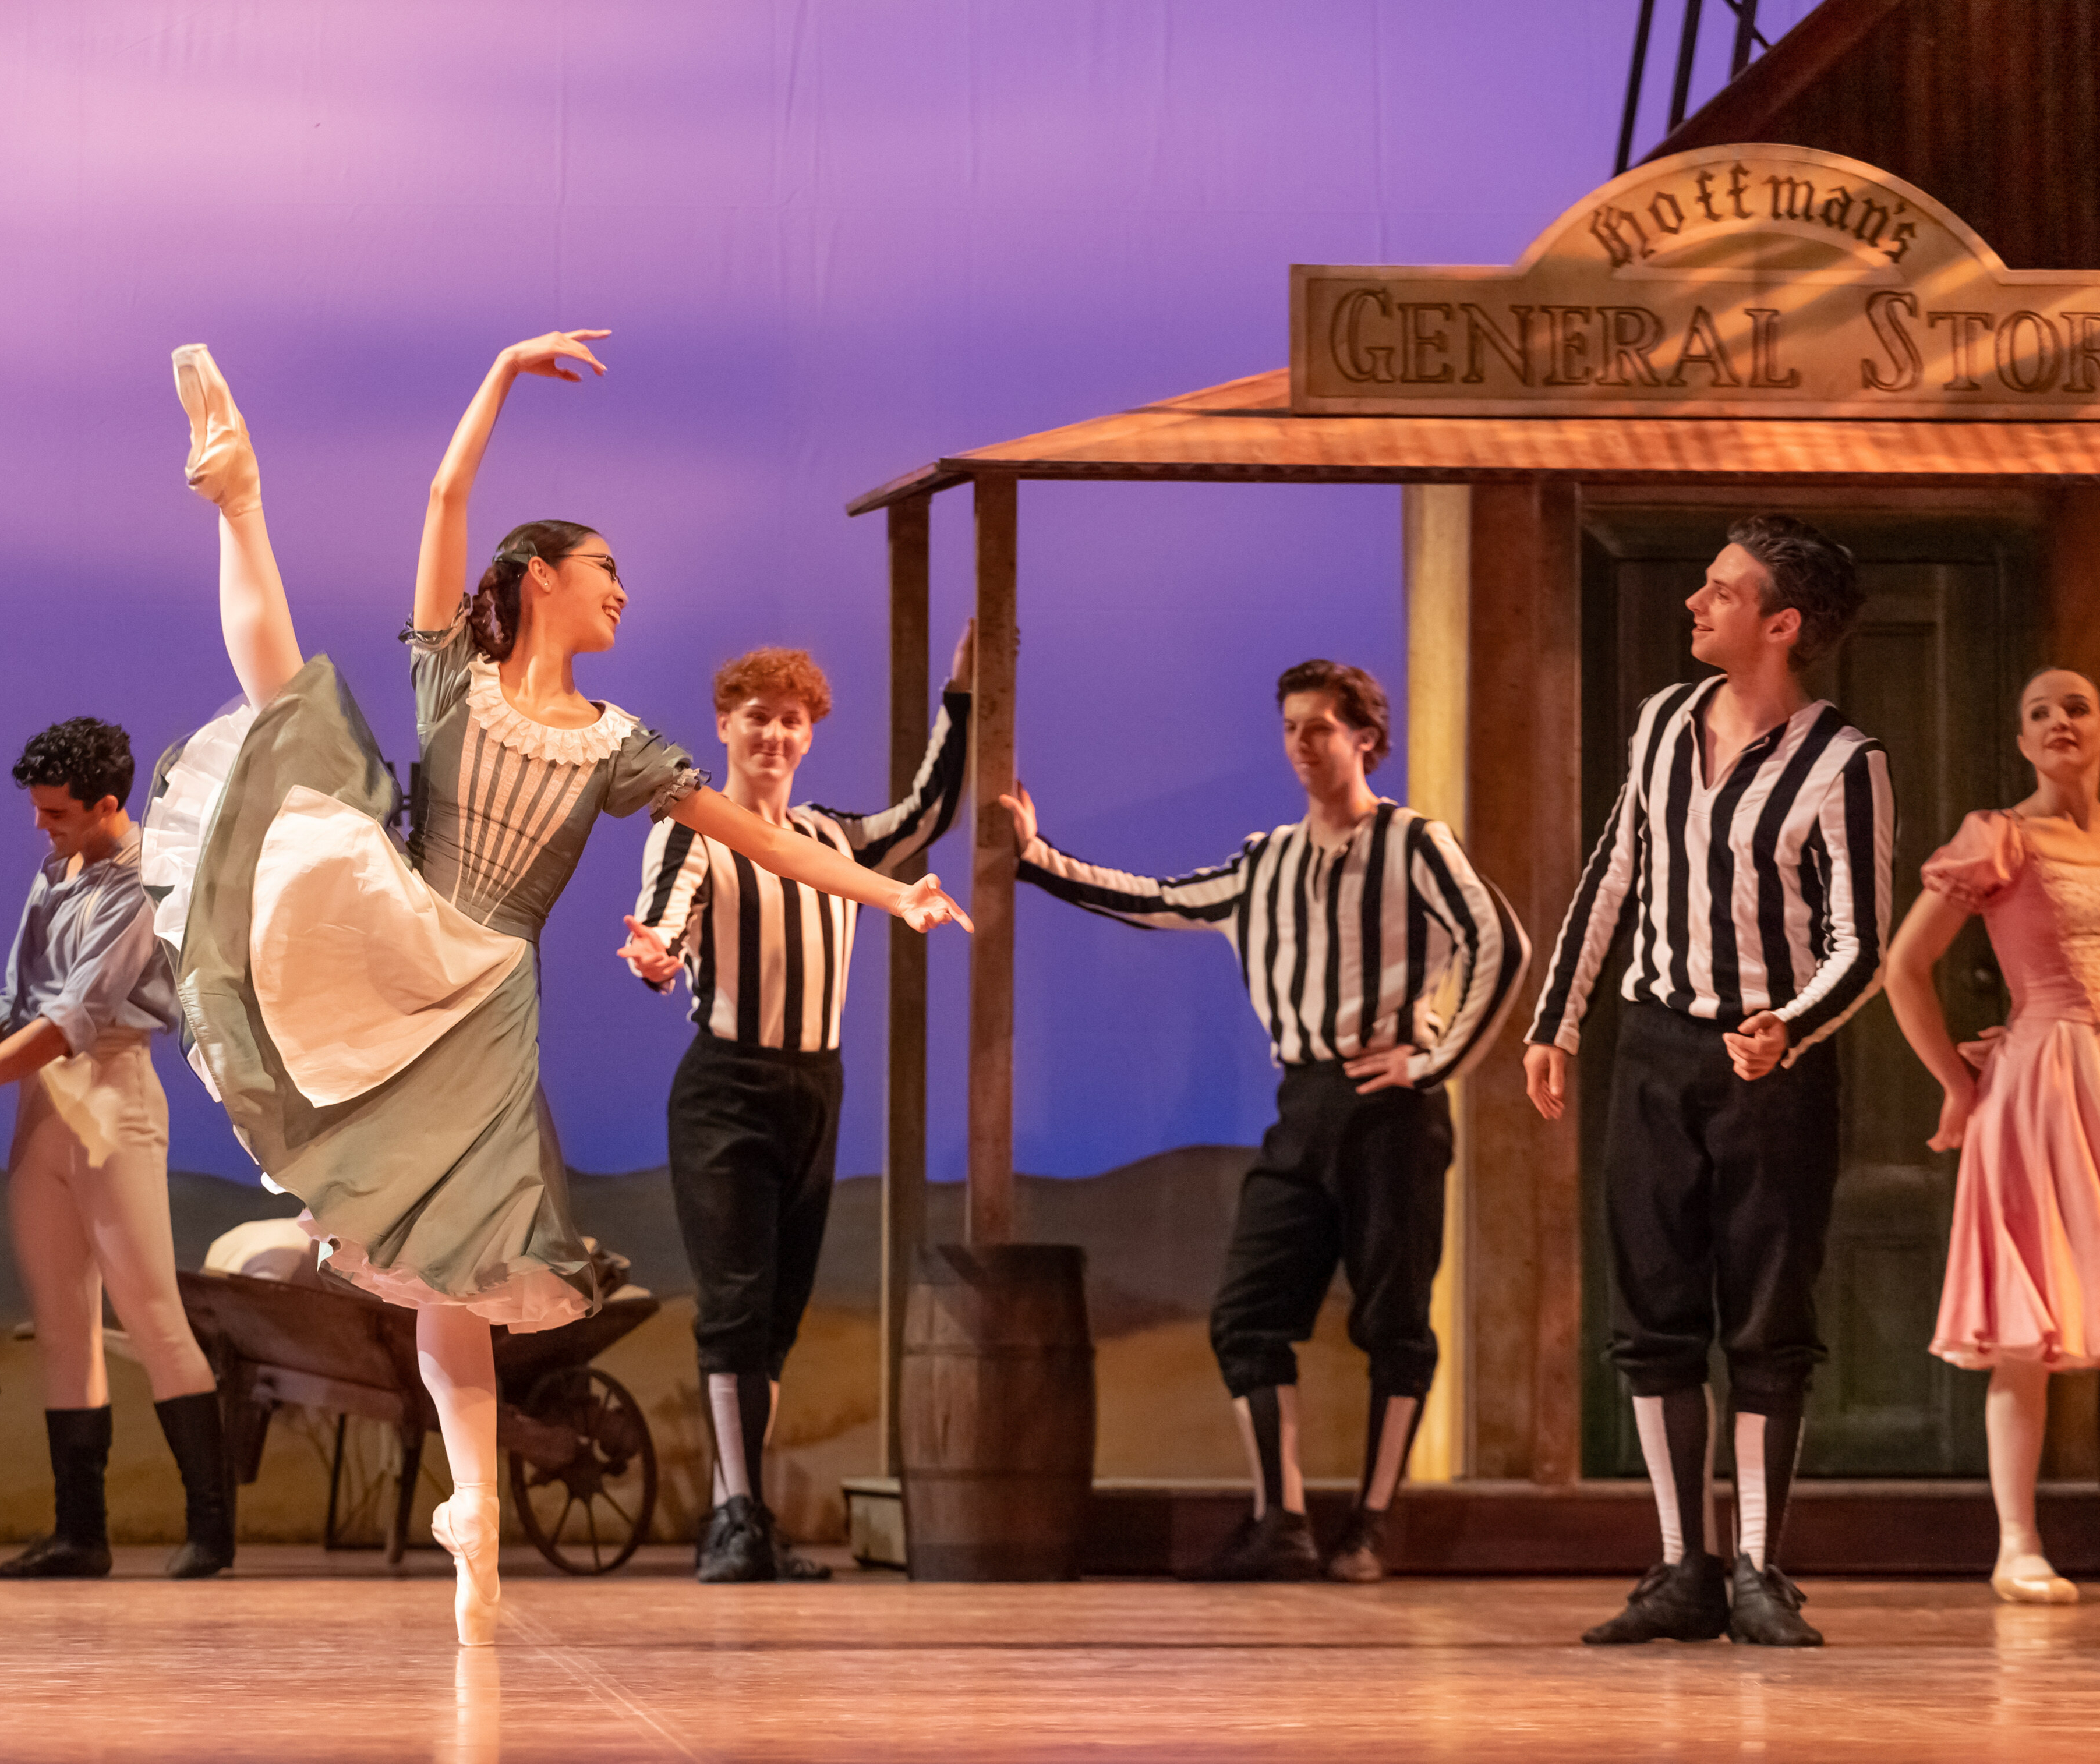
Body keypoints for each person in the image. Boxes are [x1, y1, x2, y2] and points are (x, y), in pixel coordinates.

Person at [147, 331, 970, 1645]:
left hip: (479, 998)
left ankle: (474, 1510)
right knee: (295, 714)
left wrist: (891, 894)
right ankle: (240, 500)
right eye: (606, 571)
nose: (623, 593)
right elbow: (444, 498)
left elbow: (766, 843)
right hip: (406, 934)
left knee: (456, 1272)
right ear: (542, 578)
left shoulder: (620, 745)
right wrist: (498, 374)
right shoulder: (455, 679)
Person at [1002, 659, 1525, 1583]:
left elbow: (1501, 943)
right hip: (1303, 1104)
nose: (1300, 745)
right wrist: (1037, 858)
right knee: (1247, 1314)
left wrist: (1433, 1061)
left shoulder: (1414, 843)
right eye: (1290, 728)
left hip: (1391, 1107)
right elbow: (1159, 899)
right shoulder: (1265, 861)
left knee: (1394, 1317)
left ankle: (1369, 1524)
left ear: (1365, 737)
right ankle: (1280, 1519)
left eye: (1319, 727)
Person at [1526, 514, 1890, 1649]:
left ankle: (1757, 1570)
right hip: (1653, 1051)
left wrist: (1791, 1025)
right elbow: (1612, 872)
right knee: (1652, 1312)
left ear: (1780, 625)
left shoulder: (1844, 764)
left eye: (1722, 591)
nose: (1695, 602)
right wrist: (1555, 1020)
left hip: (1768, 1069)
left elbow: (1861, 942)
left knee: (1768, 1317)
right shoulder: (1661, 722)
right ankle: (1681, 1565)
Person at [619, 631, 974, 1582]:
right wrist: (656, 956)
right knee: (735, 1309)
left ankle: (742, 1515)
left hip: (815, 1090)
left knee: (775, 1319)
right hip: (727, 1089)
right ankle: (738, 1514)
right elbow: (665, 917)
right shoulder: (696, 827)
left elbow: (929, 811)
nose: (774, 734)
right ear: (723, 725)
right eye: (757, 717)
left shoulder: (833, 840)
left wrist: (962, 692)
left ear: (810, 735)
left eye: (791, 720)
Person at [0, 720, 231, 1581]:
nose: (39, 825)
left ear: (107, 804)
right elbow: (21, 996)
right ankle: (80, 1531)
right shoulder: (56, 870)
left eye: (57, 812)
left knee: (151, 1311)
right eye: (37, 810)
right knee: (63, 1322)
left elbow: (76, 1016)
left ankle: (212, 1529)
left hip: (112, 1096)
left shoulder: (143, 881)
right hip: (42, 1105)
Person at [1883, 666, 2100, 1606]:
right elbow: (1905, 965)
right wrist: (1957, 1082)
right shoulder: (2001, 837)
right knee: (2028, 1320)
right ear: (2021, 741)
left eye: (2077, 706)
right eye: (2039, 712)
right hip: (2044, 1083)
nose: (2059, 721)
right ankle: (2017, 1542)